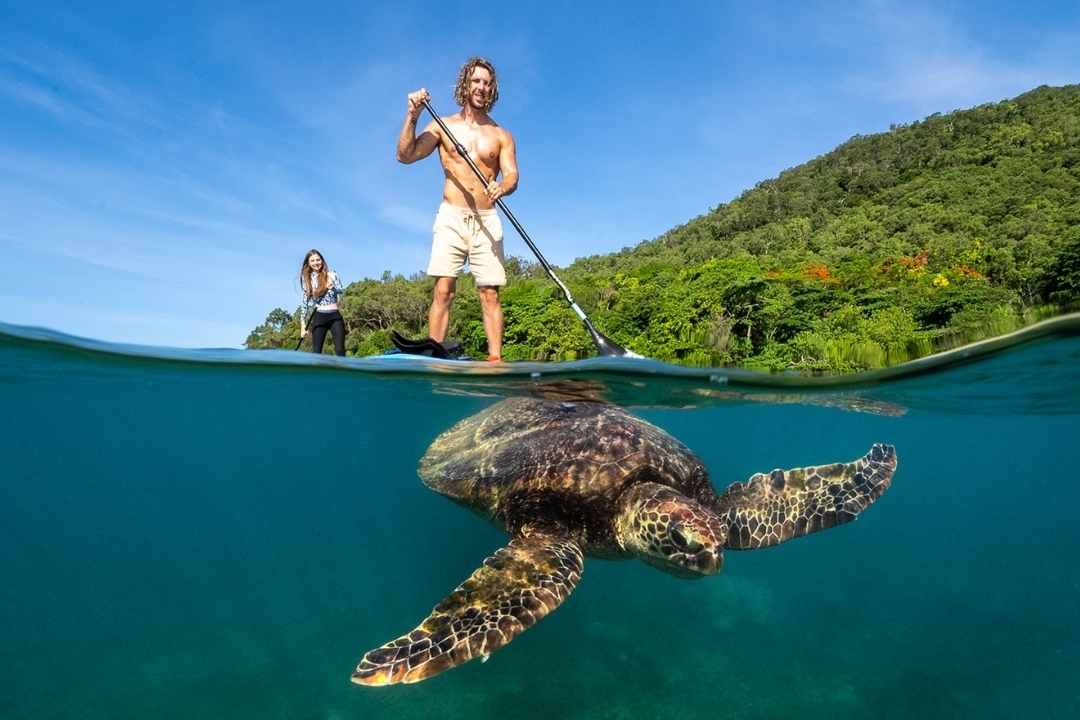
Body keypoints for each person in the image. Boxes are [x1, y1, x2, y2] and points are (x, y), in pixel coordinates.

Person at [397, 56, 519, 362]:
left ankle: (495, 361)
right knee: (444, 290)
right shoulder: (443, 126)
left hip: (487, 218)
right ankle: (433, 357)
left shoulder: (501, 135)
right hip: (451, 216)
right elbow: (406, 155)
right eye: (476, 81)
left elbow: (512, 174)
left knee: (489, 293)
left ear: (492, 89)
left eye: (487, 83)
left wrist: (502, 187)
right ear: (465, 84)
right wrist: (413, 116)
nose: (481, 87)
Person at [299, 249, 346, 356]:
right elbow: (304, 303)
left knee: (340, 350)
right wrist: (303, 326)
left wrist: (332, 286)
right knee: (316, 351)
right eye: (312, 261)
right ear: (308, 263)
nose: (316, 263)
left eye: (318, 260)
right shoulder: (307, 279)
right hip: (319, 316)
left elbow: (341, 289)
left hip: (335, 316)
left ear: (322, 260)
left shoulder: (332, 274)